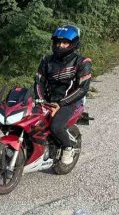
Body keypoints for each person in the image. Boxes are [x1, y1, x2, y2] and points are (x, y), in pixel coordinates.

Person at [34, 24, 93, 165]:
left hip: (71, 102)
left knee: (56, 127)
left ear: (73, 44)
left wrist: (60, 104)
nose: (61, 46)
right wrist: (40, 99)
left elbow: (82, 89)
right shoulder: (46, 60)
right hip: (47, 100)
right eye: (58, 42)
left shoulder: (82, 62)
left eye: (65, 43)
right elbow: (38, 82)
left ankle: (68, 147)